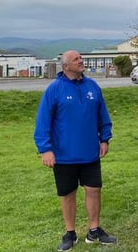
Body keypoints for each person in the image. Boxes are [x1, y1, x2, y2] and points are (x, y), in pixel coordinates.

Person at [34, 50, 117, 250]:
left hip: (90, 152)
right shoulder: (54, 90)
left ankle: (94, 230)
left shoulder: (93, 87)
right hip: (63, 155)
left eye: (81, 58)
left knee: (94, 190)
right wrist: (46, 150)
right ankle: (70, 234)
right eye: (76, 60)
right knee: (68, 193)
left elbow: (103, 115)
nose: (81, 62)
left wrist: (105, 139)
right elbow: (42, 122)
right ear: (66, 66)